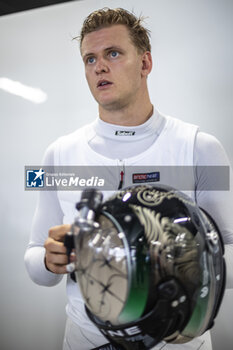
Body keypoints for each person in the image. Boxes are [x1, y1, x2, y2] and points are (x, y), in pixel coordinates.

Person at [24, 7, 233, 350]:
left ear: (145, 63)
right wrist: (49, 260)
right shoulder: (57, 155)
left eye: (113, 53)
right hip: (84, 340)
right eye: (89, 59)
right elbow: (35, 260)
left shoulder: (201, 148)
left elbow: (228, 253)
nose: (99, 67)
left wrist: (166, 260)